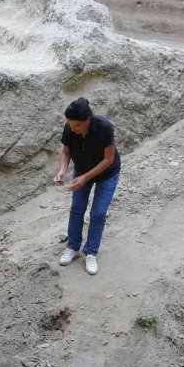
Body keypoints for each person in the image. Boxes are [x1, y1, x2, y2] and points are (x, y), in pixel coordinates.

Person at [54, 97, 121, 275]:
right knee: (77, 208)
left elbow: (108, 159)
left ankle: (90, 252)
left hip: (107, 173)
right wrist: (62, 170)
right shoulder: (70, 128)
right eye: (70, 125)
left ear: (87, 121)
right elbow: (66, 151)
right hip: (82, 170)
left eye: (76, 126)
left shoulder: (104, 127)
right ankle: (73, 246)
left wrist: (84, 178)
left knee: (98, 213)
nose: (72, 129)